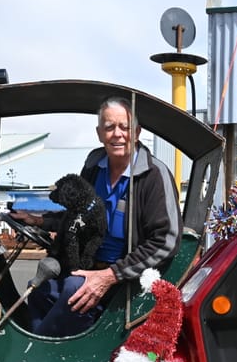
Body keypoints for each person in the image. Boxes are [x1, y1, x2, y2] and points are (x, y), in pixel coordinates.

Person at [14, 97, 182, 336]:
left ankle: (37, 360)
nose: (117, 134)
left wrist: (109, 276)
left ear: (136, 132)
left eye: (124, 127)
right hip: (88, 267)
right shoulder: (94, 167)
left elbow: (166, 240)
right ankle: (40, 358)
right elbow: (78, 215)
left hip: (126, 278)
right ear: (99, 133)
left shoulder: (154, 174)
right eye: (110, 127)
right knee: (41, 290)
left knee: (74, 290)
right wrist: (39, 221)